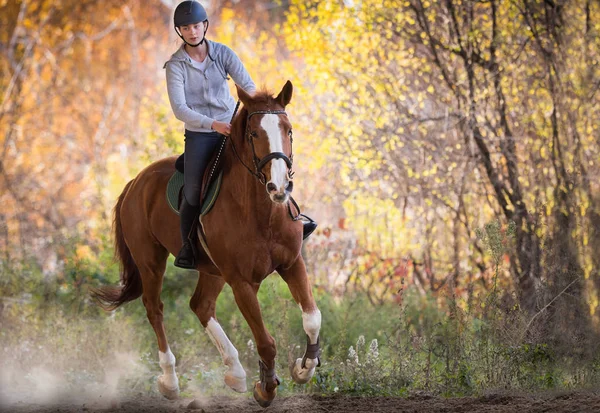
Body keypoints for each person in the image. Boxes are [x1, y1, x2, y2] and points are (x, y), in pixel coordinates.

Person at [164, 0, 317, 269]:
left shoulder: (223, 53)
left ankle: (294, 221)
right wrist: (213, 124)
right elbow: (180, 109)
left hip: (233, 128)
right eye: (186, 28)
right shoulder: (176, 65)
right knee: (192, 192)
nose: (192, 32)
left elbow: (247, 85)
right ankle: (188, 245)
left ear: (204, 26)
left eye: (196, 26)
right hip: (201, 134)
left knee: (268, 164)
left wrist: (254, 110)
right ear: (180, 31)